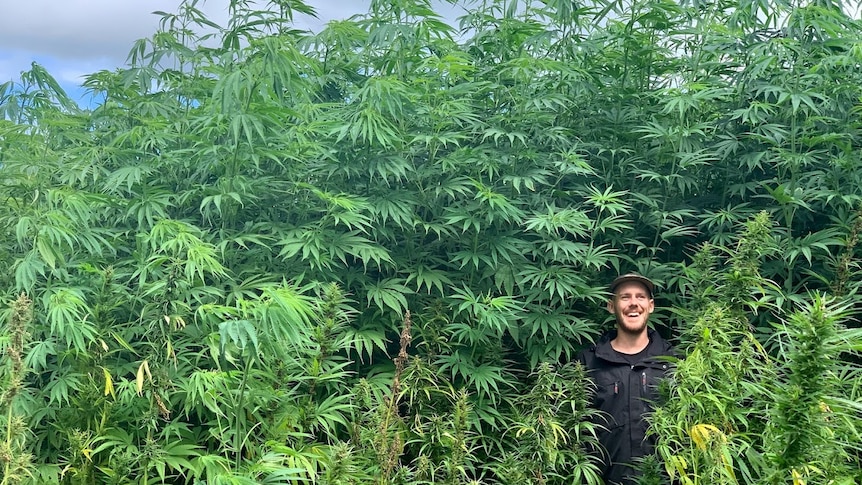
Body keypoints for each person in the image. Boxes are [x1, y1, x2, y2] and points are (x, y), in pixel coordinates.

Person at [578, 273, 673, 485]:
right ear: (611, 306)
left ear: (651, 306)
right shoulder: (588, 363)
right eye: (625, 297)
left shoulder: (673, 362)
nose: (633, 303)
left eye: (640, 297)